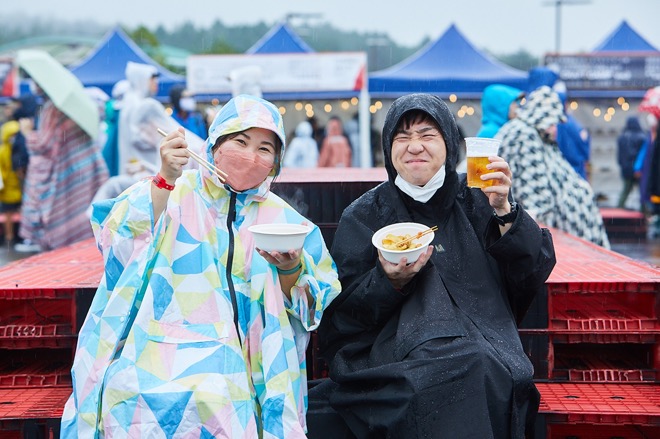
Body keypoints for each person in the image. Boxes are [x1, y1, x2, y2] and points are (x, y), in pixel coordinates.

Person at [61, 94, 341, 438]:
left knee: (222, 400)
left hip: (247, 365)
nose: (250, 155)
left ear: (275, 164)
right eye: (240, 141)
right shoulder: (175, 191)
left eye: (265, 149)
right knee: (132, 398)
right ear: (215, 145)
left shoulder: (286, 221)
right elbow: (117, 241)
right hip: (157, 347)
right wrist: (165, 178)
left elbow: (313, 307)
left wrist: (290, 269)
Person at [312, 93, 556, 438]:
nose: (415, 146)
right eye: (402, 137)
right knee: (433, 379)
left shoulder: (479, 197)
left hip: (485, 338)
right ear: (388, 147)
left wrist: (506, 211)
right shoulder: (365, 214)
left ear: (449, 143)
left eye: (427, 135)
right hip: (395, 352)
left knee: (484, 366)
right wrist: (388, 281)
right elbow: (342, 317)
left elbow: (530, 268)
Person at [497, 86, 610, 248]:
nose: (555, 128)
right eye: (553, 122)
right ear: (542, 116)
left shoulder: (536, 134)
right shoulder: (524, 135)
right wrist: (543, 242)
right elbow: (534, 195)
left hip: (569, 235)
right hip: (562, 239)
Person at [14, 82, 108, 253]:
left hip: (65, 171)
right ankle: (84, 251)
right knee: (84, 216)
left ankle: (69, 254)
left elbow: (44, 145)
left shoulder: (53, 109)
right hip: (87, 167)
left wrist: (28, 133)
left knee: (65, 219)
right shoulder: (81, 105)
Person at [617, 116, 647, 209]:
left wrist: (622, 165)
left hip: (626, 168)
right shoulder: (642, 137)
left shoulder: (622, 137)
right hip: (638, 169)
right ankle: (644, 210)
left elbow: (619, 155)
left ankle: (619, 209)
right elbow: (643, 155)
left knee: (625, 190)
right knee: (642, 191)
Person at [0, 121, 21, 245]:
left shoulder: (18, 149)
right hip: (8, 189)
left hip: (18, 187)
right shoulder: (3, 151)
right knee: (8, 214)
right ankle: (9, 237)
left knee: (19, 212)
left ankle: (19, 235)